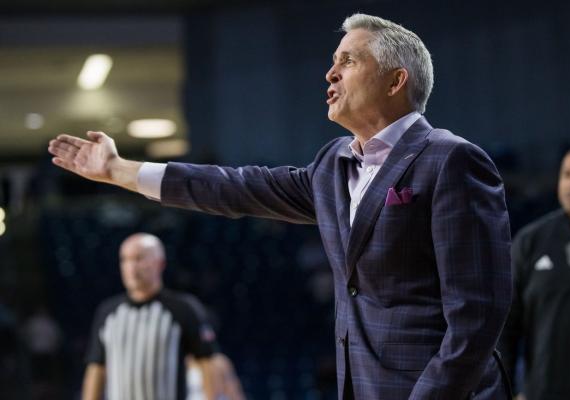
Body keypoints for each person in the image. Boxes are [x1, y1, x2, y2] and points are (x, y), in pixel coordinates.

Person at [49, 13, 512, 400]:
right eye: (333, 61)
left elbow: (477, 318)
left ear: (396, 80)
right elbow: (237, 187)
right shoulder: (333, 164)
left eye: (348, 61)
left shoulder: (451, 160)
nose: (330, 74)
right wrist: (120, 170)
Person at [82, 233, 245, 400]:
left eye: (139, 258)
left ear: (160, 264)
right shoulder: (107, 312)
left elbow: (207, 362)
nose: (132, 267)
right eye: (125, 260)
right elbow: (96, 367)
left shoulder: (182, 309)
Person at [499, 144, 570, 400]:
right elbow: (506, 325)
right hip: (543, 391)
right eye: (567, 175)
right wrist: (509, 390)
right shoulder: (532, 241)